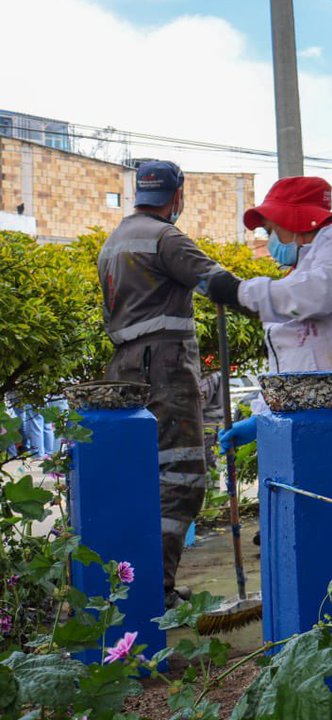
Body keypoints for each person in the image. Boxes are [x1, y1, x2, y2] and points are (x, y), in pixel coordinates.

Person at [99, 160, 229, 606]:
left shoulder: (114, 241)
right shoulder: (165, 238)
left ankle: (134, 583)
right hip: (165, 367)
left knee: (143, 475)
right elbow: (216, 281)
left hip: (125, 368)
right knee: (183, 475)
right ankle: (158, 587)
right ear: (177, 197)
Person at [206, 176, 332, 455]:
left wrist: (241, 292)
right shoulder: (306, 267)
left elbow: (313, 294)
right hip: (322, 409)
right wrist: (262, 417)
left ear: (294, 220)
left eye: (270, 230)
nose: (270, 241)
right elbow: (294, 357)